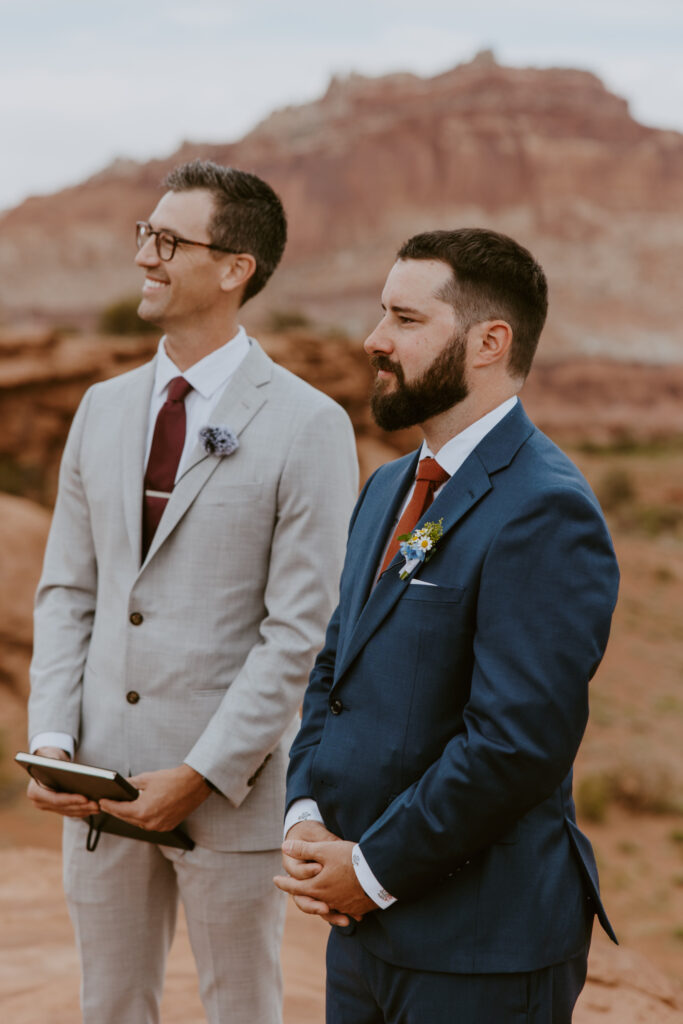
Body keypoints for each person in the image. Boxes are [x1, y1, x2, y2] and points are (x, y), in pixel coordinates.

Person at [27, 158, 358, 1024]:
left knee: (241, 1009)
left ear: (234, 267)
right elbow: (68, 590)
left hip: (228, 795)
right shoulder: (100, 409)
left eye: (168, 241)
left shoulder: (308, 424)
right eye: (145, 234)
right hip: (97, 787)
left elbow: (301, 630)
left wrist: (205, 773)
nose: (145, 255)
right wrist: (53, 739)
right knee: (110, 1008)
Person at [275, 228, 619, 1024]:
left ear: (487, 341)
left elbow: (515, 742)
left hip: (480, 949)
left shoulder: (544, 507)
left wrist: (370, 869)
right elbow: (335, 671)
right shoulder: (388, 487)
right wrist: (305, 816)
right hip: (361, 935)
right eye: (379, 314)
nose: (373, 339)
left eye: (404, 318)